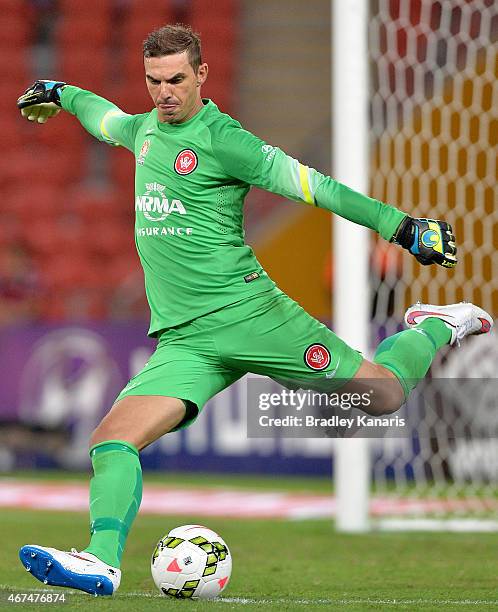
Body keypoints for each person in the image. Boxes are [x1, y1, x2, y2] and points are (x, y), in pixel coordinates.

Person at [16, 24, 492, 597]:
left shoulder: (225, 140)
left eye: (175, 80)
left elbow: (314, 187)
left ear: (201, 76)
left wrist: (401, 227)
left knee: (385, 394)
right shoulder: (143, 130)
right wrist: (60, 91)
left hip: (252, 315)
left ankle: (436, 324)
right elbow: (103, 116)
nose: (164, 93)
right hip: (186, 342)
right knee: (110, 442)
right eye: (153, 81)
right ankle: (102, 561)